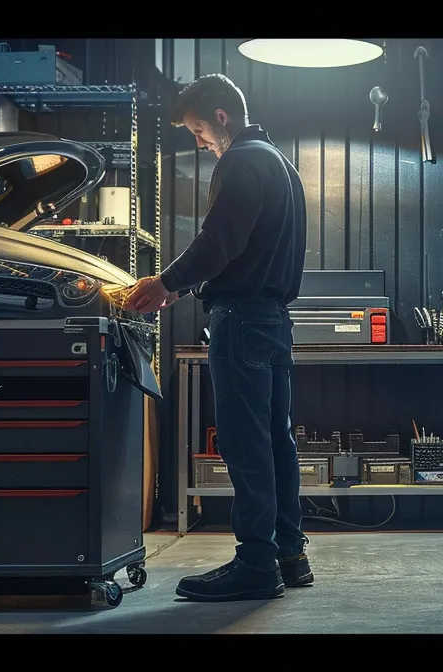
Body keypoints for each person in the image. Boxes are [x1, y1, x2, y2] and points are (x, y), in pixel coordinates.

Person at [123, 74, 309, 602]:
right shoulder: (282, 165)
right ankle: (289, 555)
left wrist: (165, 285)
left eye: (199, 130)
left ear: (222, 117)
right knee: (275, 441)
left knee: (244, 443)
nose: (199, 142)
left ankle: (255, 564)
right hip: (272, 321)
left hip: (243, 319)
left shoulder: (242, 161)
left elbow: (219, 240)